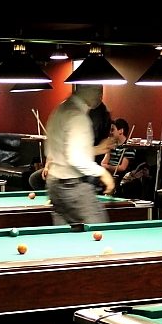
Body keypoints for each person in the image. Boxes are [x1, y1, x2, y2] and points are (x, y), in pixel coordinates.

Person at [44, 85, 115, 224]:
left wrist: (96, 149)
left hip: (54, 185)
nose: (99, 96)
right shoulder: (78, 117)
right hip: (71, 186)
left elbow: (63, 150)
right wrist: (102, 173)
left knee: (65, 233)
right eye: (96, 90)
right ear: (86, 90)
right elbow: (75, 158)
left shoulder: (60, 110)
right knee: (99, 229)